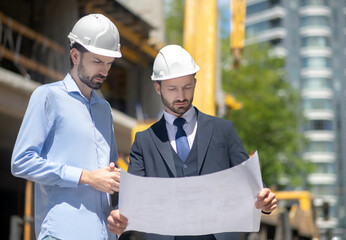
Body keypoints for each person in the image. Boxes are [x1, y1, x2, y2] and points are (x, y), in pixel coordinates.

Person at [107, 45, 277, 240]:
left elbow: (249, 179)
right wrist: (119, 214)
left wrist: (264, 197)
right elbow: (132, 195)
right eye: (172, 89)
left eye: (187, 87)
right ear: (157, 87)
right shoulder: (144, 141)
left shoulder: (223, 131)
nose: (181, 96)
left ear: (195, 83)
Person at [11, 14, 124, 240]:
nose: (104, 71)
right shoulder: (48, 97)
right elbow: (21, 162)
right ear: (75, 56)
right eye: (97, 61)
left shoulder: (105, 110)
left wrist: (117, 212)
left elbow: (110, 175)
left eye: (109, 64)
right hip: (62, 234)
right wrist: (85, 177)